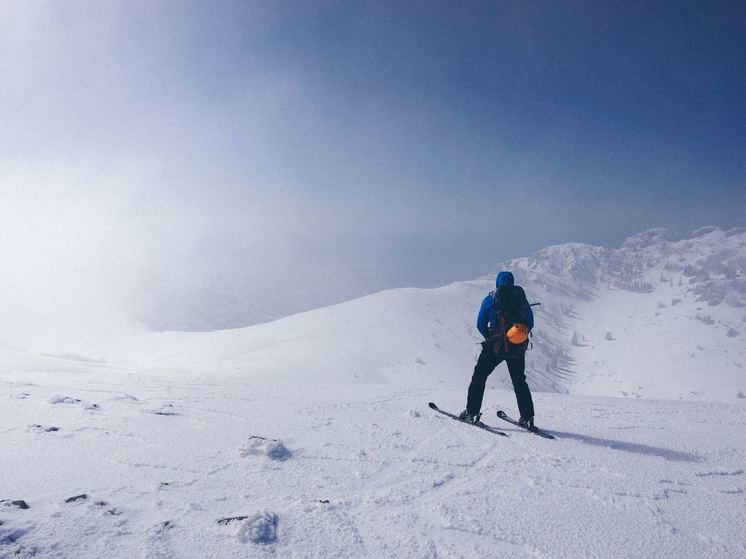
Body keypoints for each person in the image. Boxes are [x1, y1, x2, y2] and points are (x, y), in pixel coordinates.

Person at [459, 271, 536, 428]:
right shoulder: (521, 300)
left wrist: (490, 336)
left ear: (497, 283)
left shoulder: (491, 299)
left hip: (495, 346)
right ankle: (527, 418)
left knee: (479, 376)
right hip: (517, 346)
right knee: (519, 381)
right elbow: (530, 322)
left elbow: (480, 323)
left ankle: (471, 413)